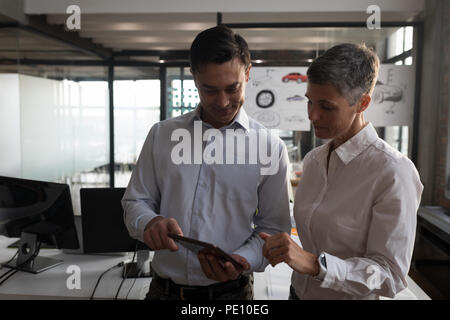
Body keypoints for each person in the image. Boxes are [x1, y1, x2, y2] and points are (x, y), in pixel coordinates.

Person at [122, 25, 291, 300]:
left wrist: (241, 260)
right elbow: (134, 202)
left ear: (248, 74)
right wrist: (149, 223)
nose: (223, 102)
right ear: (194, 78)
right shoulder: (161, 135)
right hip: (162, 292)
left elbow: (273, 229)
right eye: (209, 90)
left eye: (232, 88)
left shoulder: (269, 147)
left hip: (231, 296)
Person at [260, 43, 423, 300]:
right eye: (309, 101)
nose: (312, 115)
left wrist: (317, 265)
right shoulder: (314, 160)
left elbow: (390, 275)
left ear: (363, 103)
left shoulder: (393, 172)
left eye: (326, 106)